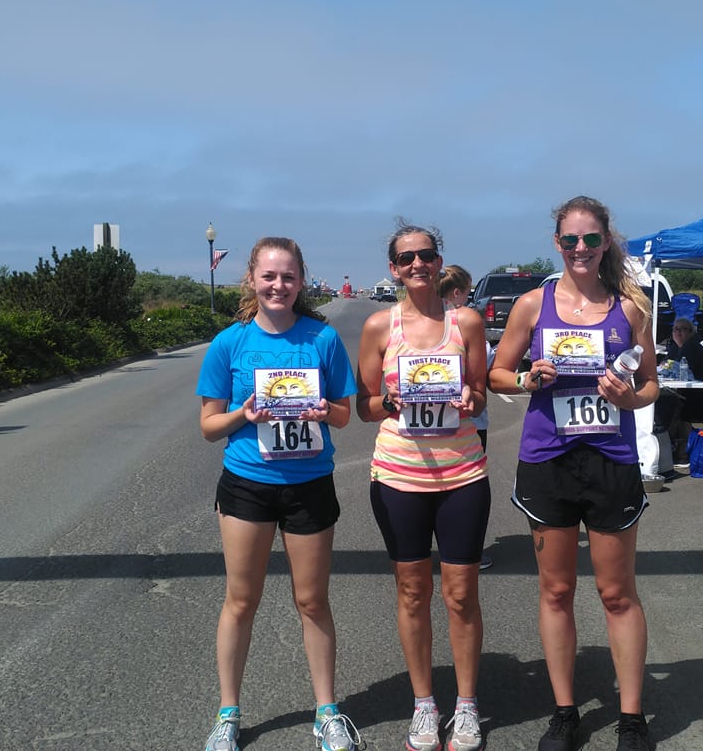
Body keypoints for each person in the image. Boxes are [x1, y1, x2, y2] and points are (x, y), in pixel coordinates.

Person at [489, 196, 658, 751]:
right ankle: (565, 712)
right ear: (556, 244)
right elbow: (497, 374)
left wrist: (628, 398)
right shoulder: (532, 305)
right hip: (549, 460)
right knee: (557, 589)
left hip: (610, 461)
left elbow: (651, 385)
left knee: (616, 593)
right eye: (569, 240)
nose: (580, 249)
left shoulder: (630, 307)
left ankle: (631, 719)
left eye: (590, 239)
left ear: (606, 241)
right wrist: (528, 380)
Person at [195, 237, 363, 751]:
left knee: (312, 601)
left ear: (301, 282)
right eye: (268, 276)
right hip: (247, 484)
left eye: (288, 277)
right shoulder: (230, 343)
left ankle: (327, 711)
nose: (278, 286)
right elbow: (207, 426)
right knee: (241, 601)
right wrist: (243, 415)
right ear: (251, 279)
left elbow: (344, 412)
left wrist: (322, 414)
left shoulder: (323, 339)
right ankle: (228, 713)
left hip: (308, 485)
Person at [358, 224, 490, 751]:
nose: (417, 264)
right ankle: (423, 705)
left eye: (426, 255)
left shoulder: (468, 323)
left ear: (440, 262)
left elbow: (480, 393)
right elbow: (365, 406)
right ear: (393, 268)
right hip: (398, 475)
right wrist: (393, 401)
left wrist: (469, 400)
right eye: (406, 257)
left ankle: (465, 704)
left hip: (462, 475)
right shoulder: (377, 326)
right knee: (413, 592)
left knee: (461, 595)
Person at [440, 264, 496, 571]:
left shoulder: (425, 327)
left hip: (433, 422)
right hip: (472, 421)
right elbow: (486, 371)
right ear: (459, 293)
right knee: (466, 489)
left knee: (435, 484)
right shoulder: (472, 329)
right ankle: (467, 550)